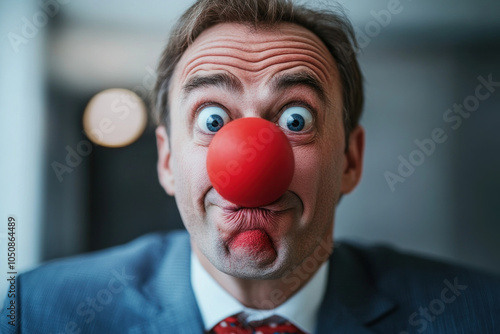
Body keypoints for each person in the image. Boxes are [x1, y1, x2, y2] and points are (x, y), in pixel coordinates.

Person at [2, 0, 499, 333]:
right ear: (168, 159)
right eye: (213, 118)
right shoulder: (36, 313)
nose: (250, 157)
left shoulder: (477, 315)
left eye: (296, 118)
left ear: (350, 159)